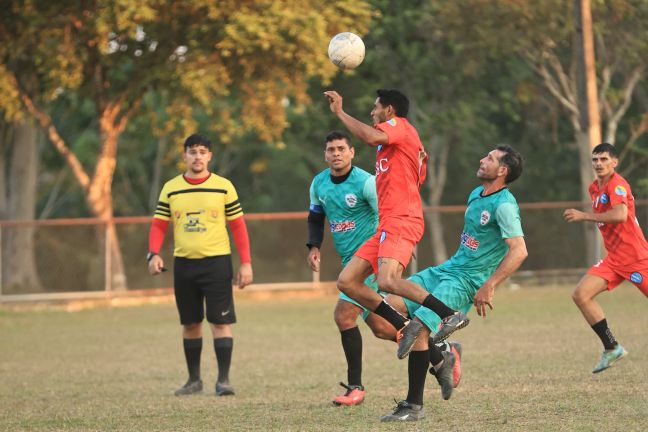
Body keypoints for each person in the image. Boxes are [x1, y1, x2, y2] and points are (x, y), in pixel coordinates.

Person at [307, 131, 463, 406]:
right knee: (381, 328)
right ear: (325, 154)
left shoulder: (367, 182)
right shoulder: (319, 183)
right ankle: (440, 354)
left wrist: (397, 246)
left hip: (373, 259)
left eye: (341, 148)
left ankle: (356, 388)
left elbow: (387, 214)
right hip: (352, 263)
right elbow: (316, 217)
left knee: (344, 316)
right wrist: (314, 246)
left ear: (352, 152)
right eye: (331, 149)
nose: (336, 153)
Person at [381, 145, 528, 422]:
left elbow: (519, 250)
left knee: (419, 330)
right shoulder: (476, 194)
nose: (482, 160)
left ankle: (413, 406)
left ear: (503, 171)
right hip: (447, 269)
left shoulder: (505, 206)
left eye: (490, 159)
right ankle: (444, 355)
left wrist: (490, 284)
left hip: (465, 281)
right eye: (485, 155)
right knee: (389, 304)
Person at [323, 89, 469, 359]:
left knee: (388, 280)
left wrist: (340, 112)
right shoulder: (393, 146)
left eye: (375, 107)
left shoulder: (399, 126)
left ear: (389, 111)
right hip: (389, 224)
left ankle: (449, 315)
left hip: (401, 220)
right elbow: (415, 177)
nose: (371, 112)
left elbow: (368, 136)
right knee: (347, 281)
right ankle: (405, 326)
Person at [147, 133, 253, 397]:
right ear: (184, 155)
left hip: (217, 263)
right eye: (192, 151)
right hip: (184, 264)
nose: (197, 156)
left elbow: (238, 226)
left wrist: (246, 263)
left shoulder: (223, 186)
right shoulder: (171, 188)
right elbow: (159, 224)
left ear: (209, 156)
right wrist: (153, 254)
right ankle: (194, 380)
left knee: (220, 322)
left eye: (202, 151)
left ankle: (223, 381)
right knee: (191, 323)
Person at [563, 143, 648, 373]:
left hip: (636, 258)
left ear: (615, 162)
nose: (598, 163)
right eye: (595, 160)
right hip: (614, 259)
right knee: (581, 295)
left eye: (603, 159)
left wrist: (584, 216)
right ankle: (612, 348)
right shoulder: (594, 188)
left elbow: (620, 215)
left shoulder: (617, 184)